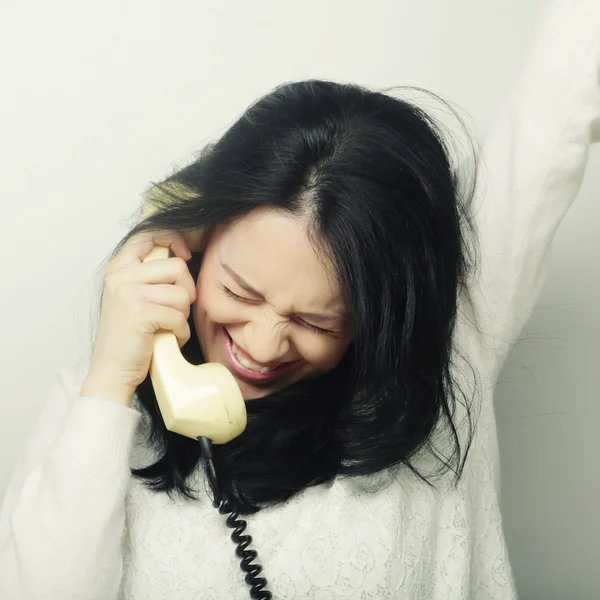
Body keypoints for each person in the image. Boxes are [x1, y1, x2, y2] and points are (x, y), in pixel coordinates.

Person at [1, 0, 599, 597]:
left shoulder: (451, 341)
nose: (262, 346)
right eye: (239, 291)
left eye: (317, 320)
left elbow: (564, 90)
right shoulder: (94, 409)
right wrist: (110, 380)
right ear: (193, 243)